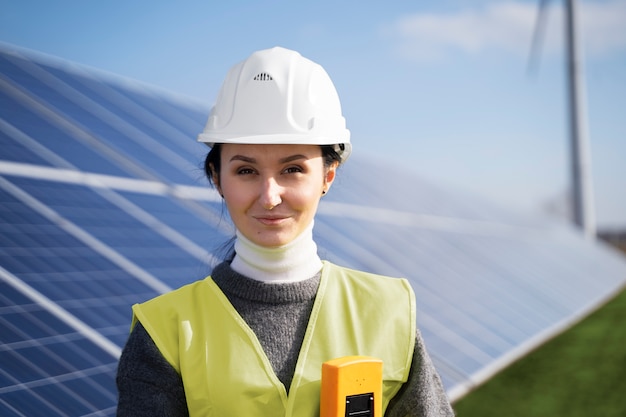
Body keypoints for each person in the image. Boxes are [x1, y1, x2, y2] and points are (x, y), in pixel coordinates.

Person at [116, 46, 454, 417]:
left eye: (292, 169)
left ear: (328, 176)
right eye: (246, 171)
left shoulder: (389, 312)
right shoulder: (164, 334)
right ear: (217, 179)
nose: (269, 196)